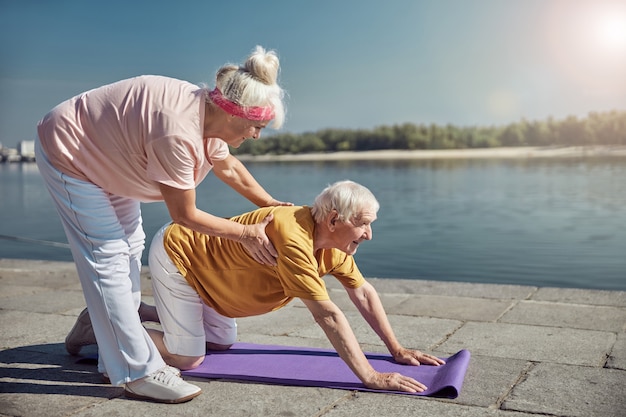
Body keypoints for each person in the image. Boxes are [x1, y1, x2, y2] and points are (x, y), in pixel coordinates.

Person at [35, 45, 292, 404]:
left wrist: (270, 204)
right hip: (72, 151)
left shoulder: (210, 117)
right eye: (257, 127)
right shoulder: (177, 132)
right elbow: (185, 217)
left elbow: (229, 167)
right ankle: (137, 371)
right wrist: (247, 233)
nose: (256, 136)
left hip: (114, 158)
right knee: (107, 255)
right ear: (234, 115)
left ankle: (104, 334)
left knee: (131, 245)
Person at [147, 180, 445, 393]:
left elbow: (363, 292)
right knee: (188, 357)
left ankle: (142, 311)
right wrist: (370, 376)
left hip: (211, 279)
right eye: (364, 224)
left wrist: (397, 349)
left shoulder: (333, 245)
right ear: (333, 219)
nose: (369, 235)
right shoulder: (293, 240)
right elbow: (327, 315)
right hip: (180, 254)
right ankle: (117, 327)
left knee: (221, 343)